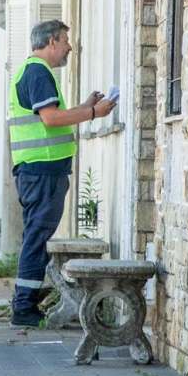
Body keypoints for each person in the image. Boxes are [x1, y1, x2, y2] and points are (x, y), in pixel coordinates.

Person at [8, 20, 116, 327]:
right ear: (52, 41)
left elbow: (52, 116)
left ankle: (25, 302)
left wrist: (84, 106)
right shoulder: (38, 72)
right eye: (66, 40)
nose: (70, 46)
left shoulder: (33, 72)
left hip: (40, 169)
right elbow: (52, 118)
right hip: (42, 170)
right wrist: (94, 113)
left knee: (36, 236)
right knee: (37, 238)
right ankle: (23, 307)